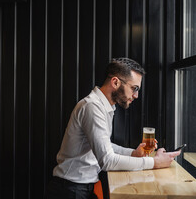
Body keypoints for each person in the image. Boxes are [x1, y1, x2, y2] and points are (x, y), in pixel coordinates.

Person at [45, 58, 181, 199]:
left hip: (78, 187)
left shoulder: (105, 106)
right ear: (115, 82)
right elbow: (107, 160)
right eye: (134, 88)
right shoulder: (92, 107)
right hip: (69, 190)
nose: (136, 95)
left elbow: (105, 145)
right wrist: (154, 162)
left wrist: (133, 153)